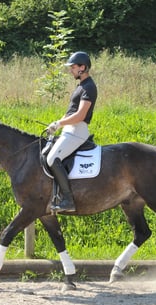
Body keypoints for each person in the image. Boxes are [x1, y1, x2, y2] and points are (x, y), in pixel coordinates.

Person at [46, 51, 98, 213]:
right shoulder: (81, 86)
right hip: (70, 129)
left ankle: (68, 200)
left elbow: (80, 115)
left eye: (73, 67)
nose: (71, 70)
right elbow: (70, 112)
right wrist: (56, 125)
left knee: (52, 159)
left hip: (78, 130)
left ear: (83, 67)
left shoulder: (89, 87)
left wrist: (60, 123)